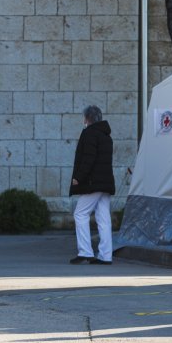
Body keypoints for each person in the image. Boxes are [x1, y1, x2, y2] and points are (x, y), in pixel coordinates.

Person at [69, 105, 115, 265]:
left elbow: (88, 158)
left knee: (80, 214)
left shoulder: (89, 134)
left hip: (92, 183)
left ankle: (85, 252)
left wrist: (78, 178)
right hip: (105, 183)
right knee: (104, 218)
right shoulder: (106, 135)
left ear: (87, 118)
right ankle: (106, 255)